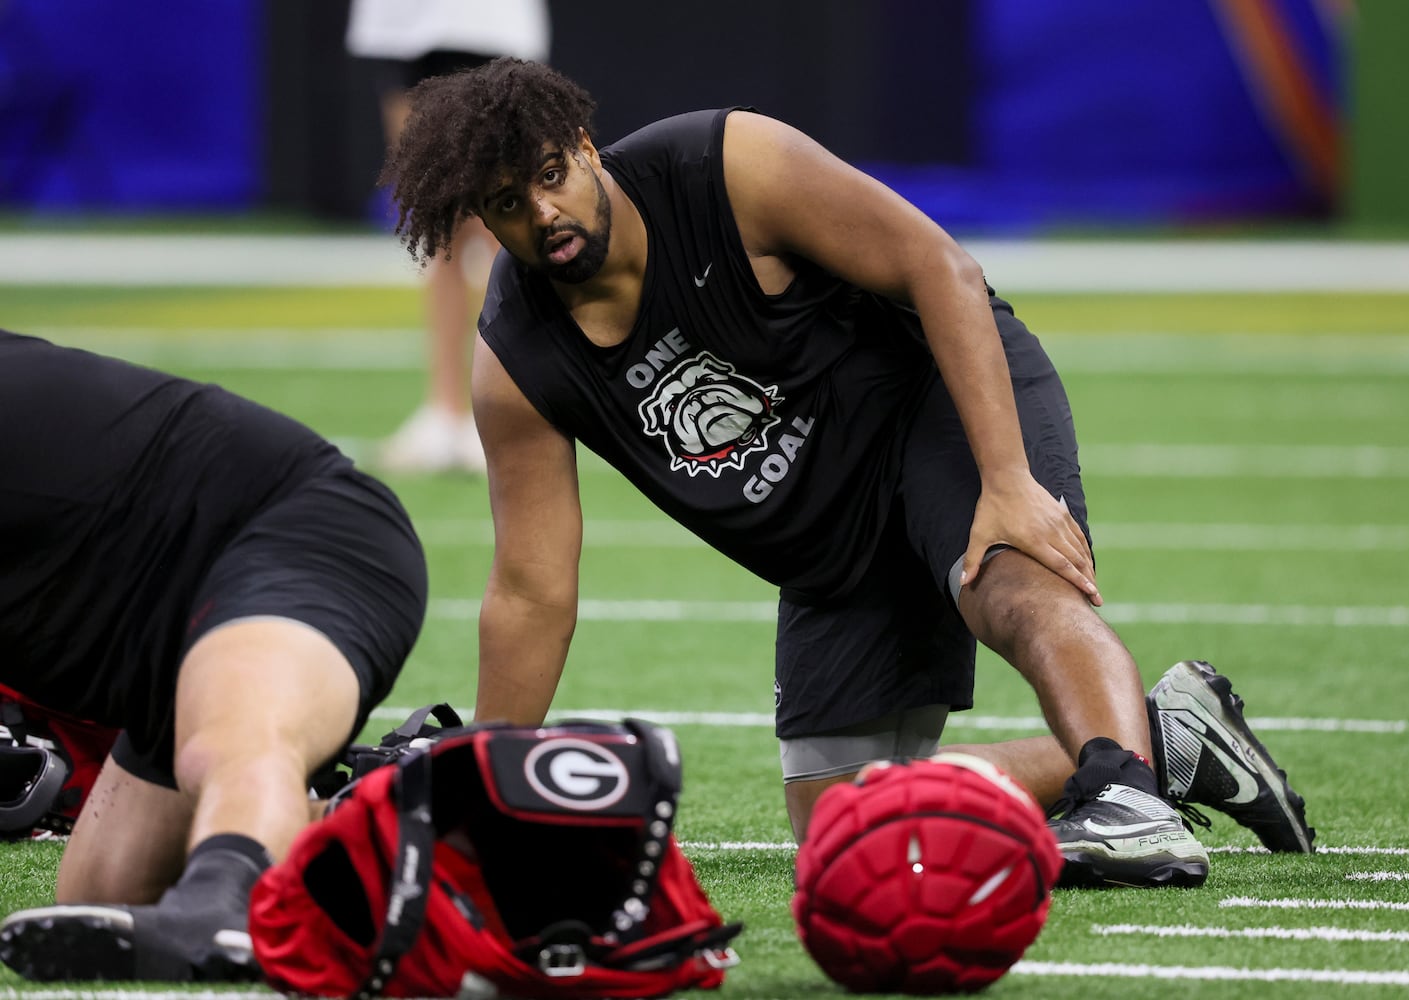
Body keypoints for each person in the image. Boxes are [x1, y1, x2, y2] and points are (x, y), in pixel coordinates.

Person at [380, 59, 1314, 889]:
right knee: (841, 828)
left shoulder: (720, 164)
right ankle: (1169, 742)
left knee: (1008, 581)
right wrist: (488, 777)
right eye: (509, 203)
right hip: (830, 540)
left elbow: (935, 264)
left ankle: (1129, 803)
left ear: (585, 148)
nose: (544, 213)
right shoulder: (516, 360)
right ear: (480, 222)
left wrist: (1006, 480)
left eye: (550, 176)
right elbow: (533, 589)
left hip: (934, 409)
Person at [0, 330, 428, 980]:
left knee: (226, 754)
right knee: (104, 894)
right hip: (160, 638)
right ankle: (392, 818)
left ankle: (220, 909)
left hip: (300, 531)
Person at [346, 0, 550, 473]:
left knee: (500, 222)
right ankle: (444, 411)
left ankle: (519, 406)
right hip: (402, 24)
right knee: (434, 219)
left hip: (484, 27)